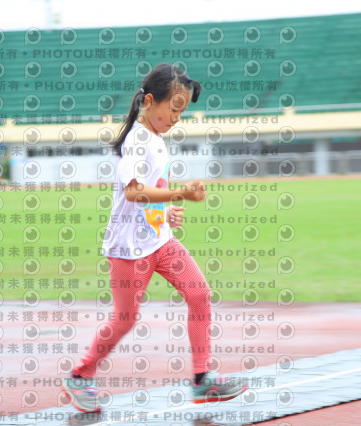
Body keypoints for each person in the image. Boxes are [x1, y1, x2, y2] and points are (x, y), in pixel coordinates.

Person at [61, 63, 247, 413]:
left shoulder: (156, 139)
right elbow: (133, 192)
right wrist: (181, 194)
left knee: (199, 294)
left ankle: (202, 378)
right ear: (149, 101)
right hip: (129, 248)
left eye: (182, 111)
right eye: (174, 109)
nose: (177, 117)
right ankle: (80, 375)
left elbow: (150, 193)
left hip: (159, 240)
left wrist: (165, 212)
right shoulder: (136, 140)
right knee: (125, 319)